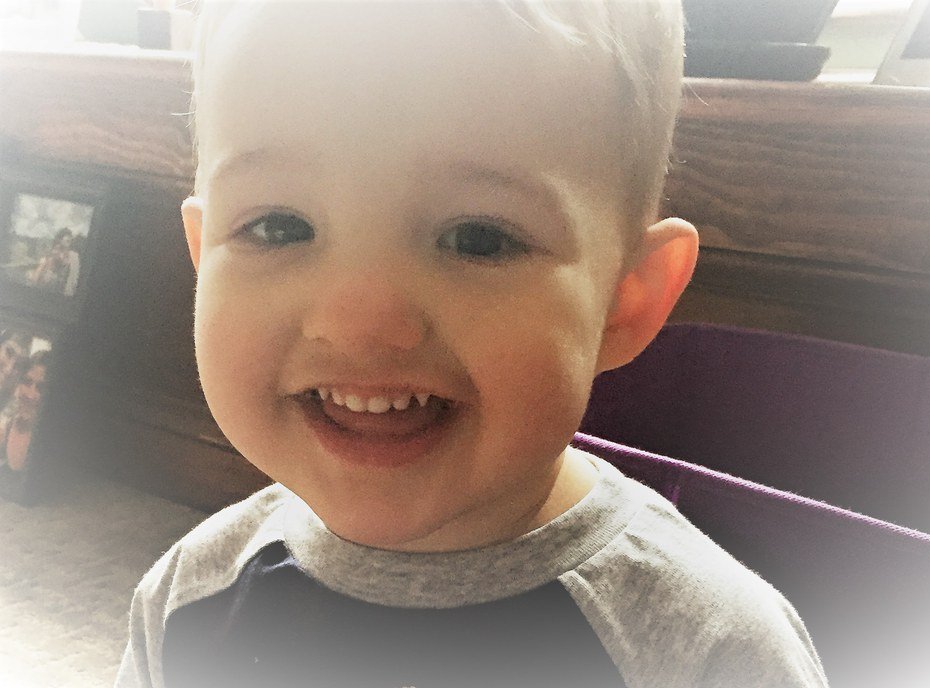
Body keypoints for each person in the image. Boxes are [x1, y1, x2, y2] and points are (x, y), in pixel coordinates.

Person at [117, 2, 829, 687]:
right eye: (278, 226)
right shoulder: (185, 602)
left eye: (478, 238)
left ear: (626, 300)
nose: (358, 322)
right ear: (203, 255)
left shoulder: (708, 654)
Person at [0, 350, 47, 474]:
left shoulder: (52, 440)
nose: (30, 395)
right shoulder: (9, 425)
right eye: (27, 382)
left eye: (41, 388)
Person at [29, 227, 80, 296]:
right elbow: (36, 278)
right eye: (66, 236)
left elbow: (74, 278)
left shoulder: (74, 256)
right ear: (59, 239)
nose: (69, 238)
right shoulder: (49, 258)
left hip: (65, 294)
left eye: (70, 236)